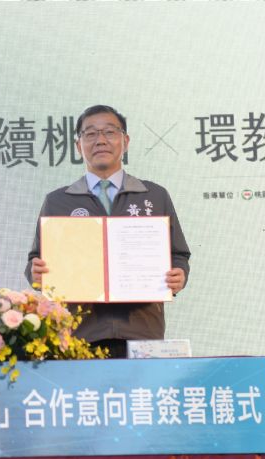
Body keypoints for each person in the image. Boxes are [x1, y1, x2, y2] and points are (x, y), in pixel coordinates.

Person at [25, 105, 190, 358]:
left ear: (125, 141)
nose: (100, 140)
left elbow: (178, 254)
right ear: (79, 146)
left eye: (110, 132)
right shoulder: (58, 201)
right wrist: (36, 273)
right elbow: (36, 261)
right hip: (79, 334)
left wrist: (179, 275)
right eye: (90, 134)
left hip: (142, 331)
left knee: (142, 386)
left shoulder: (154, 195)